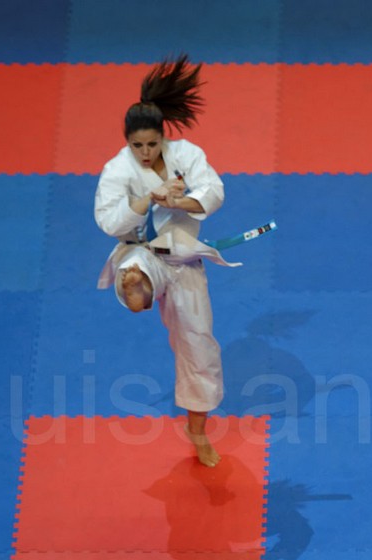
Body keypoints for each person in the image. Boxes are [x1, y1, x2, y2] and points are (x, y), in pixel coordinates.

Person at [94, 55, 240, 466]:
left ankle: (198, 431)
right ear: (127, 142)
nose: (145, 152)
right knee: (136, 277)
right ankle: (135, 287)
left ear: (163, 137)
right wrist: (147, 199)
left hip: (183, 256)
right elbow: (108, 221)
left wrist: (180, 201)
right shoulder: (116, 170)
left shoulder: (187, 154)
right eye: (136, 145)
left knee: (199, 345)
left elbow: (214, 191)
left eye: (152, 144)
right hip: (141, 252)